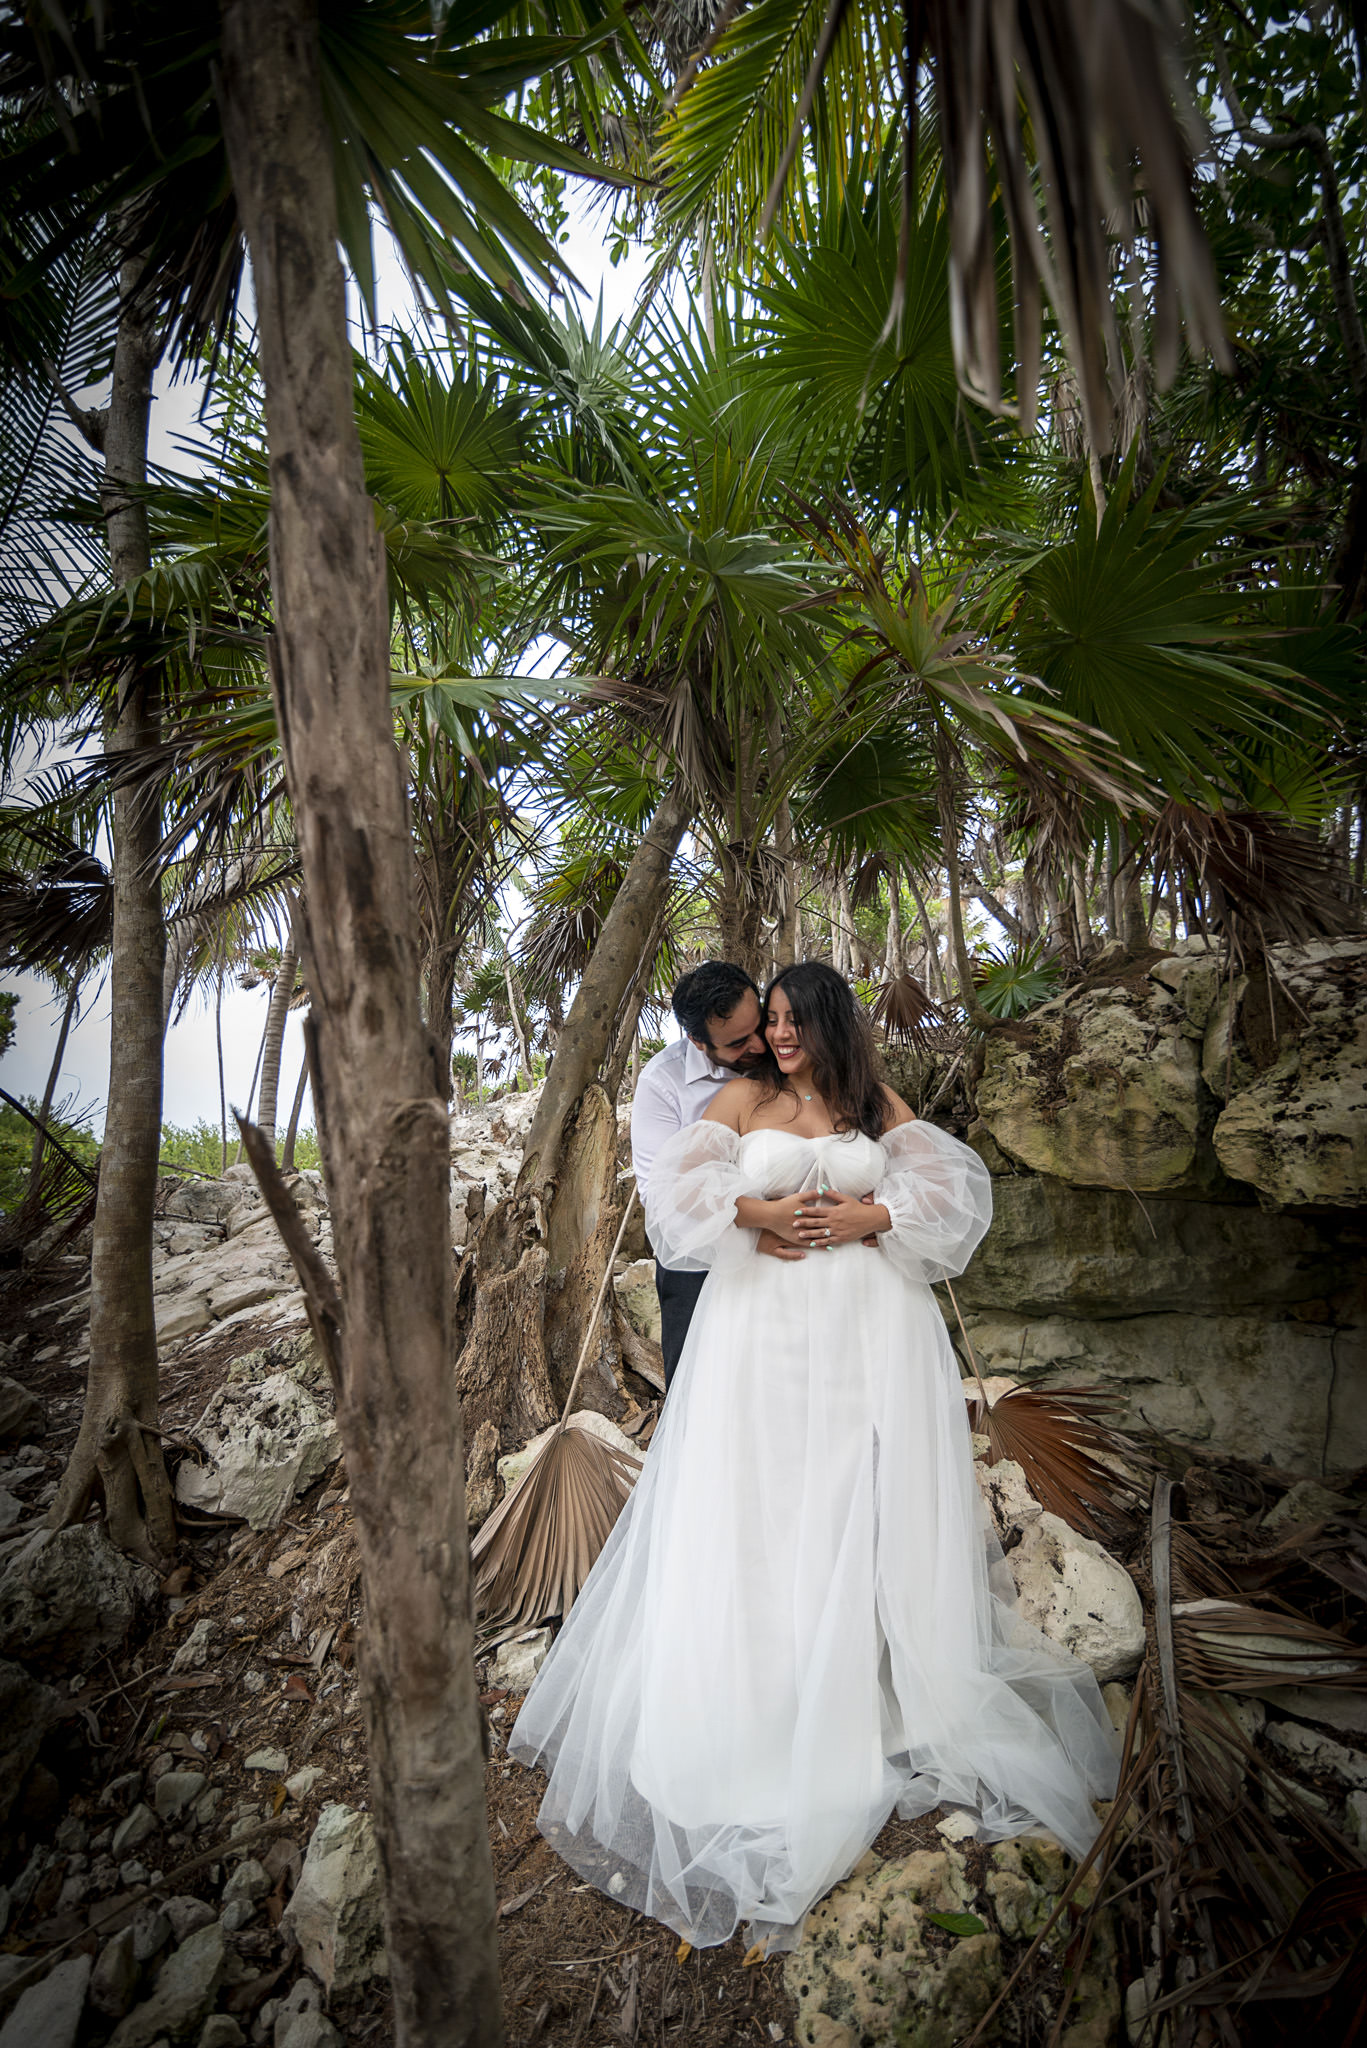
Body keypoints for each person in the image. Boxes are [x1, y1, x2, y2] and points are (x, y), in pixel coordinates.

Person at [512, 962, 1120, 1955]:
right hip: (758, 1337)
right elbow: (675, 1195)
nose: (778, 1035)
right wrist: (756, 1213)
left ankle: (873, 1684)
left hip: (869, 1333)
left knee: (857, 1499)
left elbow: (952, 1189)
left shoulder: (869, 1099)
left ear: (825, 1020)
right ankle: (767, 1699)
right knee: (766, 1506)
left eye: (793, 1019)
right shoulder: (739, 1094)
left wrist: (865, 1215)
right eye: (772, 1021)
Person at [630, 961, 770, 1387]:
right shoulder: (662, 1083)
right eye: (737, 1043)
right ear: (696, 1039)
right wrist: (757, 1224)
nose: (758, 1046)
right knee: (698, 1384)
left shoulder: (782, 1054)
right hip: (699, 1259)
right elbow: (661, 1198)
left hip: (788, 1251)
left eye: (758, 1026)